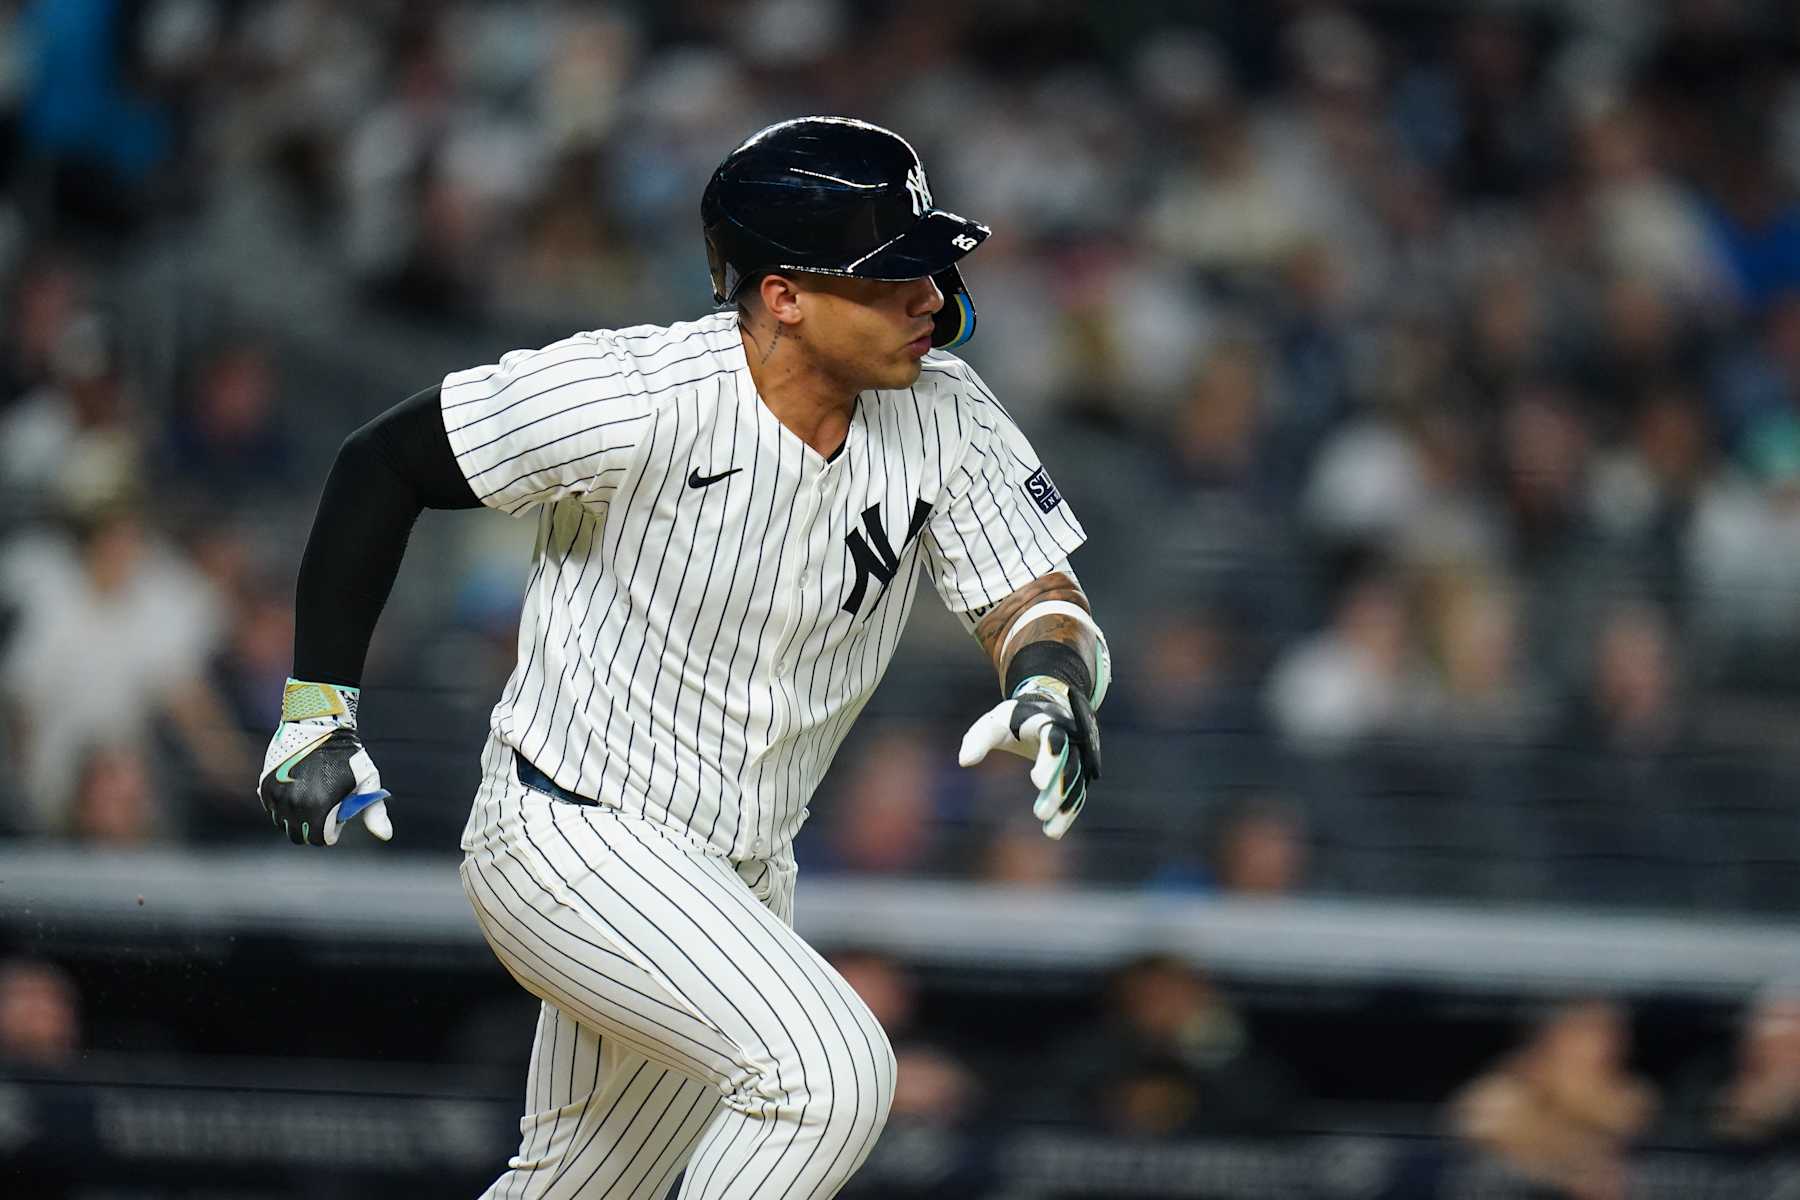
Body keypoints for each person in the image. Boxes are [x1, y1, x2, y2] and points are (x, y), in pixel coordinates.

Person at [255, 116, 1112, 1200]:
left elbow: (1035, 595)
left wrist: (1049, 674)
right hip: (571, 836)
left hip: (740, 872)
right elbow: (382, 463)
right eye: (890, 274)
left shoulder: (949, 412)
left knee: (578, 1189)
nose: (930, 297)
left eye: (929, 268)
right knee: (828, 1077)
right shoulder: (637, 394)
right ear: (782, 294)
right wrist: (316, 711)